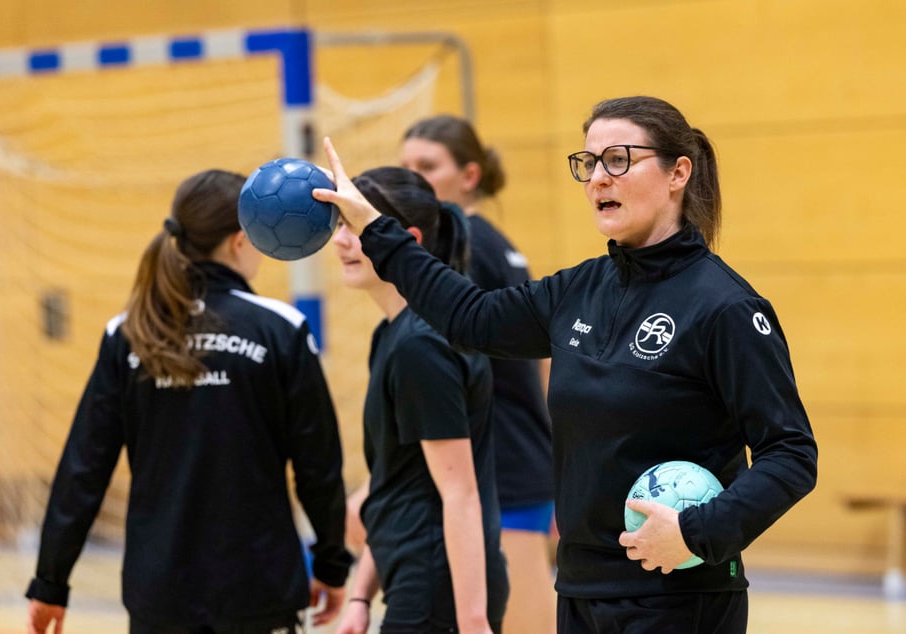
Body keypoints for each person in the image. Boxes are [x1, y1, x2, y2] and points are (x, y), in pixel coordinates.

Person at [314, 95, 818, 634]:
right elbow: (469, 317)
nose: (598, 178)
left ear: (678, 173)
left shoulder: (726, 307)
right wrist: (373, 227)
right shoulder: (578, 288)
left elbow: (791, 453)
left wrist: (697, 532)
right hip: (580, 591)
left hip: (679, 596)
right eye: (589, 162)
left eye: (618, 160)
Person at [25, 169, 352, 634]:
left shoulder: (128, 331)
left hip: (159, 594)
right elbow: (319, 466)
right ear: (241, 240)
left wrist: (50, 581)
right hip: (258, 589)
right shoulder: (281, 328)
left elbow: (83, 468)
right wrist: (332, 565)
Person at [331, 167, 508, 634]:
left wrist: (472, 622)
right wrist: (360, 595)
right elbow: (398, 482)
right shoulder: (393, 334)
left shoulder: (421, 345)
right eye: (339, 225)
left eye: (352, 227)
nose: (339, 241)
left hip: (439, 588)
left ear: (406, 240)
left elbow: (459, 492)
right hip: (414, 579)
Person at [399, 114, 556, 634]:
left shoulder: (467, 247)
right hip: (516, 456)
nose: (414, 179)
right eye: (406, 167)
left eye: (427, 166)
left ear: (469, 176)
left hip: (506, 465)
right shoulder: (490, 241)